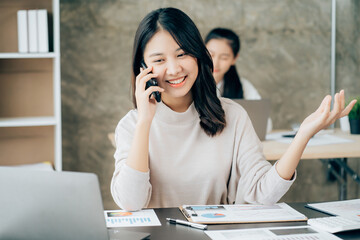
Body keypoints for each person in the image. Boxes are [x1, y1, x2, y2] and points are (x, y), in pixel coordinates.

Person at [110, 7, 356, 211]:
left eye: (182, 54)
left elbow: (263, 193)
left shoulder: (232, 115)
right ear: (144, 67)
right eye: (159, 60)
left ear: (197, 54)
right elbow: (131, 202)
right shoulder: (131, 126)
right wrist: (145, 121)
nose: (174, 69)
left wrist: (304, 134)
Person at [205, 28, 273, 132]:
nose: (215, 63)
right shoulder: (189, 83)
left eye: (224, 58)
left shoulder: (243, 85)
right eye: (211, 54)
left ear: (234, 59)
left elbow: (265, 125)